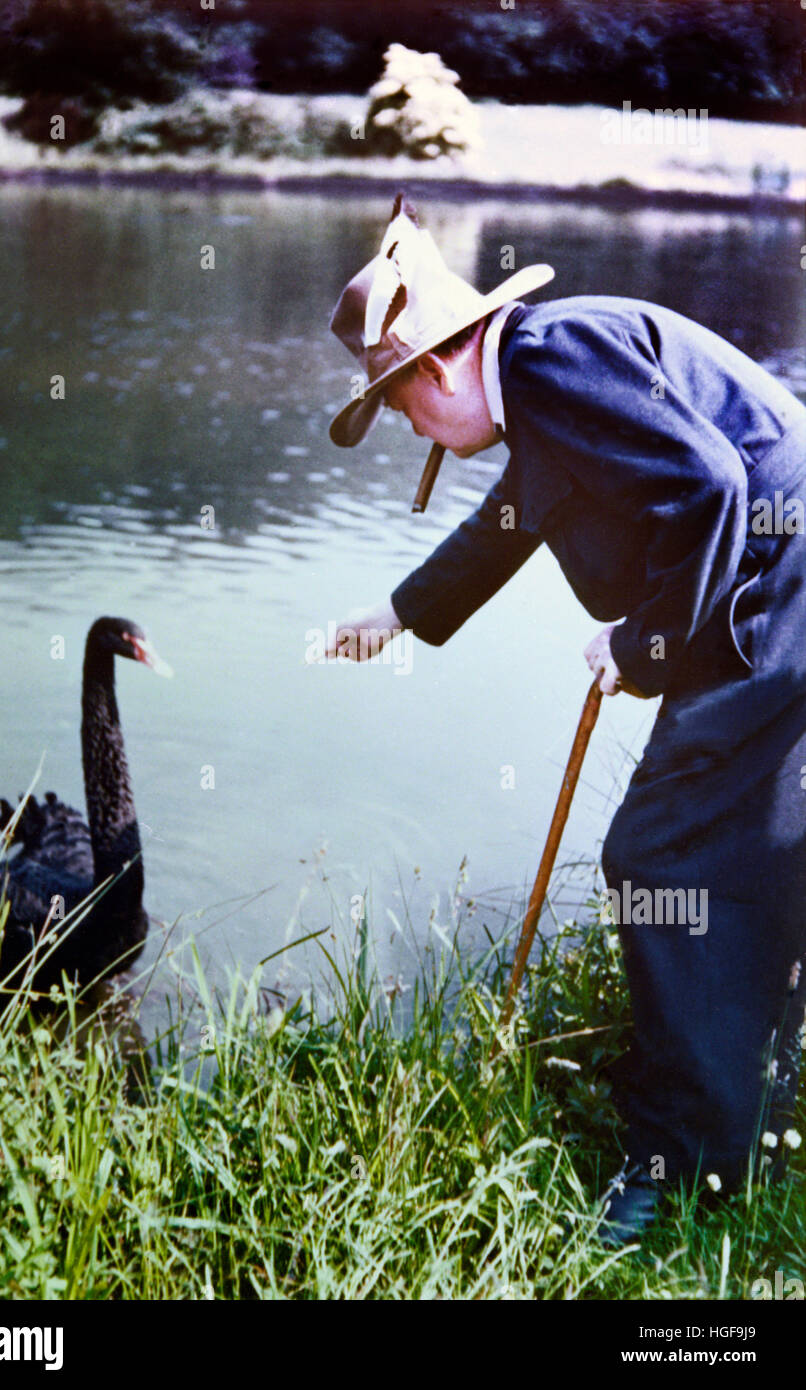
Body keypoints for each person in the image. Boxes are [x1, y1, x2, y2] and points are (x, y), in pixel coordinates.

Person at [324, 193, 806, 1244]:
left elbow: (718, 486)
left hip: (778, 590)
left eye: (403, 410)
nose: (418, 433)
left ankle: (680, 1160)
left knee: (658, 856)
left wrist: (639, 649)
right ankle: (759, 1096)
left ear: (438, 369)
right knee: (762, 844)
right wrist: (398, 614)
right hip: (778, 581)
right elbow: (512, 517)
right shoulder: (544, 374)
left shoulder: (546, 361)